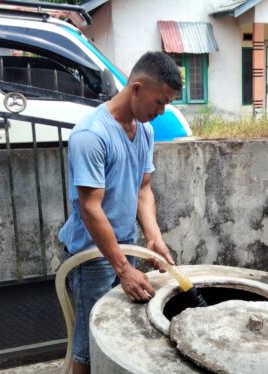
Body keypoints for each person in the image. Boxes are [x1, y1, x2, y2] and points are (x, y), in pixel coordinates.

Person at [58, 51, 181, 374]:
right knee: (87, 347)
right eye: (160, 101)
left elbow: (143, 189)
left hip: (122, 249)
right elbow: (90, 208)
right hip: (91, 257)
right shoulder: (91, 135)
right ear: (136, 88)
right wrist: (124, 269)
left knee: (115, 335)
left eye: (167, 103)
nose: (162, 111)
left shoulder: (145, 131)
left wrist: (153, 238)